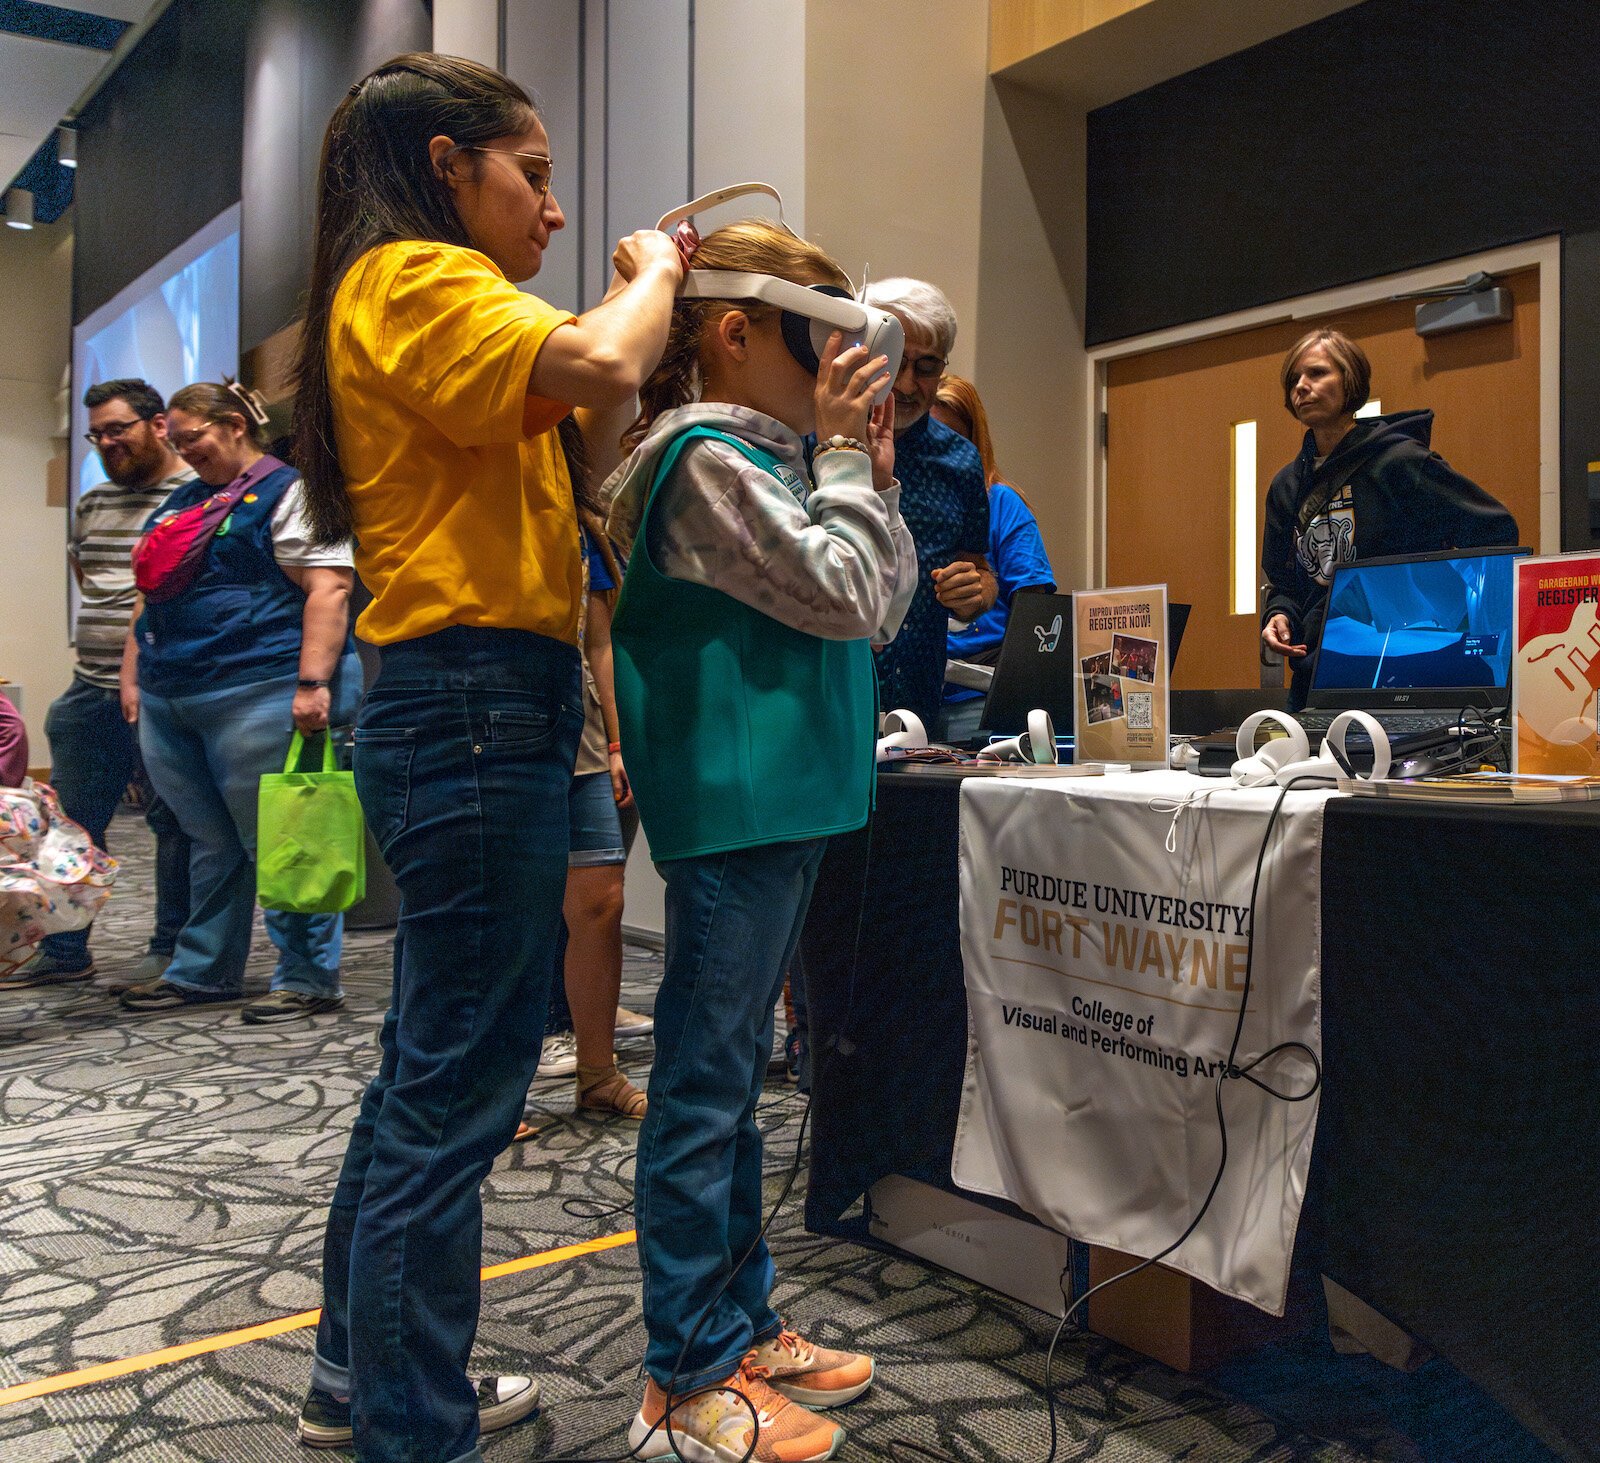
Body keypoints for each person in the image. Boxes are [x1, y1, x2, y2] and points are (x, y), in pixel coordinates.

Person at [289, 53, 682, 1463]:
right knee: (457, 1082)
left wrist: (623, 336)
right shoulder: (410, 276)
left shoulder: (433, 299)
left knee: (429, 1067)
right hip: (466, 695)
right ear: (451, 165)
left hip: (475, 691)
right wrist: (660, 270)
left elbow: (591, 412)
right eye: (535, 174)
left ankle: (365, 1380)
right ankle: (408, 1418)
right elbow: (608, 358)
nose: (558, 211)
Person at [606, 218, 916, 1463]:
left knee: (728, 1089)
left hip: (786, 798)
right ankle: (682, 1372)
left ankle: (739, 1323)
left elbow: (873, 601)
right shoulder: (699, 456)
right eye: (818, 335)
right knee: (703, 1087)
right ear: (735, 333)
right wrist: (848, 463)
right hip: (738, 806)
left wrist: (860, 469)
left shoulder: (773, 456)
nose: (843, 363)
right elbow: (850, 593)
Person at [117, 380, 360, 1021]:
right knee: (210, 843)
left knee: (287, 838)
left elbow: (329, 588)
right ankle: (204, 971)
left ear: (233, 424)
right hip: (175, 694)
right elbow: (150, 598)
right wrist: (133, 677)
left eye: (193, 438)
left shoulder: (294, 492)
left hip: (262, 687)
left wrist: (313, 685)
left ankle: (308, 977)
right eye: (177, 441)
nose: (184, 451)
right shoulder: (182, 502)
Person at [0, 380, 193, 993]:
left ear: (157, 424)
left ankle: (170, 949)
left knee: (172, 822)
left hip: (163, 687)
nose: (108, 442)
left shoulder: (197, 495)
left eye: (119, 429)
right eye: (98, 434)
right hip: (91, 687)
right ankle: (65, 952)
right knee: (71, 824)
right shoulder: (93, 503)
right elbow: (91, 577)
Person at [1261, 328, 1517, 707]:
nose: (1301, 386)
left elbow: (1497, 530)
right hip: (1320, 675)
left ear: (1349, 382)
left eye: (1316, 374)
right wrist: (1278, 613)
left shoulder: (1400, 462)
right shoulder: (1286, 486)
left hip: (1414, 667)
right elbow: (1283, 579)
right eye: (1293, 379)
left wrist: (1433, 598)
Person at [513, 511, 648, 1140]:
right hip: (495, 715)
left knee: (600, 903)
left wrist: (619, 743)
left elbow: (600, 643)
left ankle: (598, 1074)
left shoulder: (576, 520)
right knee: (505, 913)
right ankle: (493, 1090)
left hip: (582, 729)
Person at [859, 278, 997, 728]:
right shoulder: (814, 439)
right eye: (894, 361)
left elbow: (977, 568)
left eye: (926, 366)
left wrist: (975, 592)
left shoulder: (960, 459)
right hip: (827, 702)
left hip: (920, 710)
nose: (905, 384)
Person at [931, 373, 1056, 743]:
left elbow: (1037, 616)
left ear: (973, 442)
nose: (938, 450)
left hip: (980, 697)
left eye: (952, 437)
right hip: (911, 691)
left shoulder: (1001, 504)